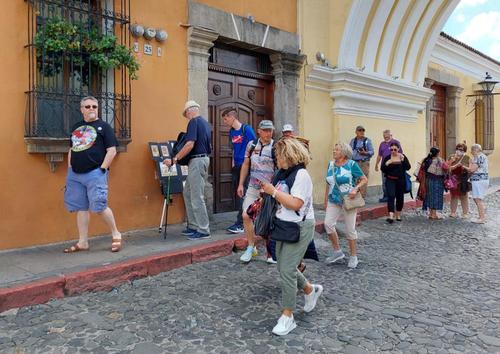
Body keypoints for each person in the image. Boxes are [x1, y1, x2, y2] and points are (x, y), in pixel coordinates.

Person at [260, 137, 323, 336]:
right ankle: (310, 290)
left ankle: (288, 317)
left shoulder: (301, 175)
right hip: (283, 225)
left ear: (288, 155)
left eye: (278, 155)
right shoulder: (282, 173)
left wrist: (273, 192)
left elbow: (296, 203)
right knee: (282, 266)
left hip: (300, 226)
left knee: (287, 269)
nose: (276, 159)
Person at [63, 96, 122, 253]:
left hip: (95, 172)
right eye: (87, 106)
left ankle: (116, 233)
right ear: (81, 109)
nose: (91, 109)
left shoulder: (104, 127)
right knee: (81, 208)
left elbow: (112, 150)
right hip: (75, 175)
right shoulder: (76, 127)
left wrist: (102, 168)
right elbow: (72, 149)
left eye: (94, 106)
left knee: (100, 206)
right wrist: (70, 168)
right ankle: (83, 242)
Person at [164, 100, 212, 240]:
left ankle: (203, 230)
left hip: (197, 161)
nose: (186, 116)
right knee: (188, 192)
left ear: (190, 110)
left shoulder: (193, 122)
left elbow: (190, 144)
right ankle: (193, 225)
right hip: (200, 160)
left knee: (196, 196)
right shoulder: (205, 123)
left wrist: (175, 159)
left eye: (185, 114)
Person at [324, 142, 368, 269]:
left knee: (350, 229)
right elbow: (328, 183)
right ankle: (337, 251)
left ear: (343, 153)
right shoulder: (331, 164)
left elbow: (364, 179)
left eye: (337, 150)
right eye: (334, 149)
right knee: (328, 224)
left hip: (348, 200)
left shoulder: (351, 164)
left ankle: (353, 256)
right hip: (333, 199)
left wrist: (356, 189)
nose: (334, 151)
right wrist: (325, 199)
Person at [238, 120, 276, 263]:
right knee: (246, 216)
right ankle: (250, 247)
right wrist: (241, 184)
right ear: (259, 131)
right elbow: (246, 164)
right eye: (265, 130)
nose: (268, 133)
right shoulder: (252, 145)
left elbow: (279, 169)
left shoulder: (276, 147)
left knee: (268, 221)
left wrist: (270, 188)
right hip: (253, 188)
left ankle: (271, 253)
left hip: (269, 191)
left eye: (270, 130)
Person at [222, 108, 256, 234]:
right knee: (239, 194)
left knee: (244, 194)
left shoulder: (246, 129)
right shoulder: (232, 132)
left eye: (226, 119)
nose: (225, 122)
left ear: (232, 117)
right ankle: (245, 220)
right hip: (236, 167)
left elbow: (254, 146)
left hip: (246, 166)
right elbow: (234, 149)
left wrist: (249, 163)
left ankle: (241, 223)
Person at [380, 143, 411, 223]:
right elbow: (383, 169)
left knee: (400, 197)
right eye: (391, 149)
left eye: (395, 149)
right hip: (390, 179)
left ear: (398, 149)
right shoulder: (387, 157)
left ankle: (398, 214)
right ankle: (391, 216)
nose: (393, 151)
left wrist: (403, 160)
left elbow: (408, 167)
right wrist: (387, 163)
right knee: (391, 196)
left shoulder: (402, 156)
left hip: (400, 180)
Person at [463, 144, 489, 223]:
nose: (471, 152)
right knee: (476, 198)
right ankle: (481, 215)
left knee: (477, 199)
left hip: (479, 180)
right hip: (480, 180)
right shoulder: (481, 157)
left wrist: (463, 166)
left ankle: (482, 218)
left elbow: (471, 170)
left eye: (472, 150)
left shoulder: (479, 157)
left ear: (476, 150)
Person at [375, 130, 403, 202]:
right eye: (384, 137)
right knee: (384, 182)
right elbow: (379, 155)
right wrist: (376, 164)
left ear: (391, 135)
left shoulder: (396, 143)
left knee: (393, 182)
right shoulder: (382, 144)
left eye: (387, 137)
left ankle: (393, 196)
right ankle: (385, 196)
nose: (386, 138)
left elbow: (401, 155)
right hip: (385, 166)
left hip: (394, 166)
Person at [420, 147, 447, 220]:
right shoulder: (439, 161)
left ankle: (431, 213)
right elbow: (445, 168)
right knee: (436, 196)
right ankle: (434, 214)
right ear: (438, 153)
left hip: (428, 180)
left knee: (430, 196)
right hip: (437, 180)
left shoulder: (426, 160)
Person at [446, 143, 470, 218]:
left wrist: (463, 167)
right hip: (453, 179)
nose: (458, 151)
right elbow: (447, 167)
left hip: (463, 179)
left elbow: (470, 168)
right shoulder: (451, 156)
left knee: (464, 196)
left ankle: (465, 213)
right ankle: (453, 212)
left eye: (461, 149)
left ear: (464, 151)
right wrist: (454, 164)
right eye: (457, 149)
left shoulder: (467, 158)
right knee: (453, 196)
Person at [349, 125, 374, 198]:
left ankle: (362, 197)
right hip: (354, 163)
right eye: (360, 130)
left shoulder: (367, 141)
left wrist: (365, 153)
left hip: (364, 163)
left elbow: (372, 152)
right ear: (356, 132)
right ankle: (355, 195)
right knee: (354, 179)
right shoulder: (353, 141)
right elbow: (350, 151)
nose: (362, 132)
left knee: (363, 180)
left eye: (363, 130)